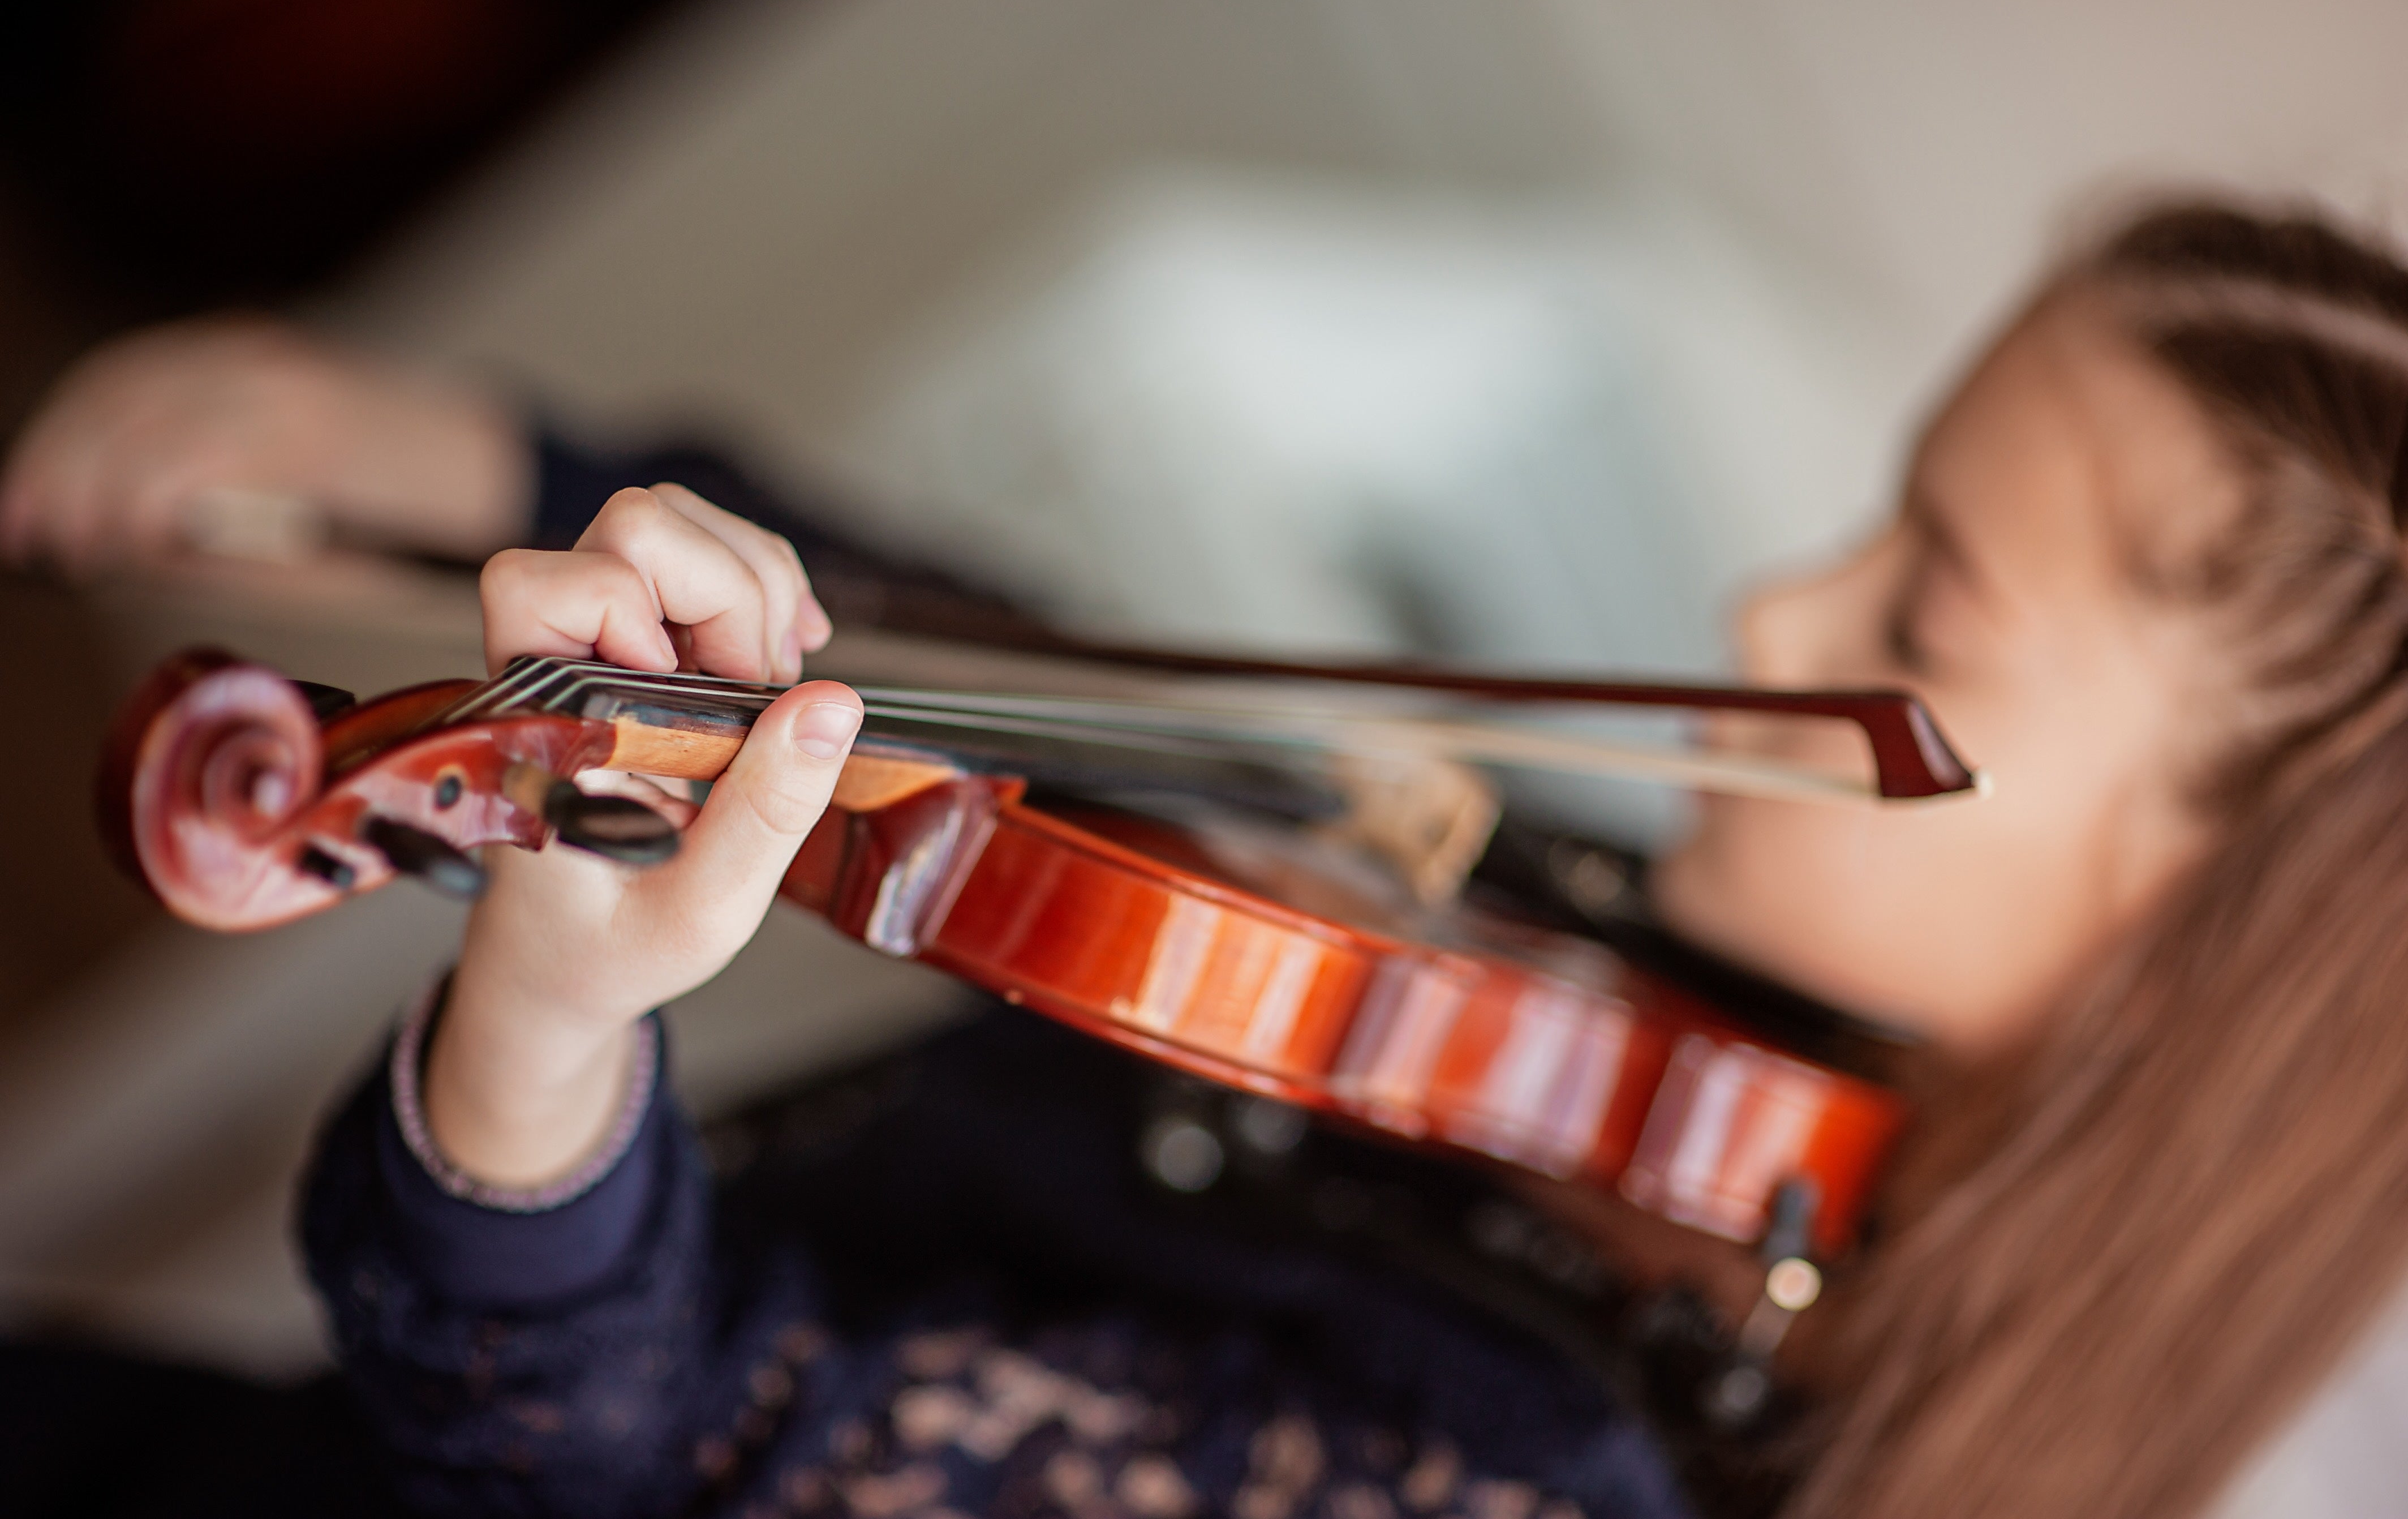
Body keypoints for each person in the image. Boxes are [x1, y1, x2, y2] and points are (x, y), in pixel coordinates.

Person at [12, 197, 2408, 1519]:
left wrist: (540, 1044)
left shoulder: (1526, 1481)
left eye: (1916, 618)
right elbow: (1076, 710)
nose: (1775, 617)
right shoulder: (1630, 984)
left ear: (2159, 973)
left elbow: (683, 1456)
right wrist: (495, 467)